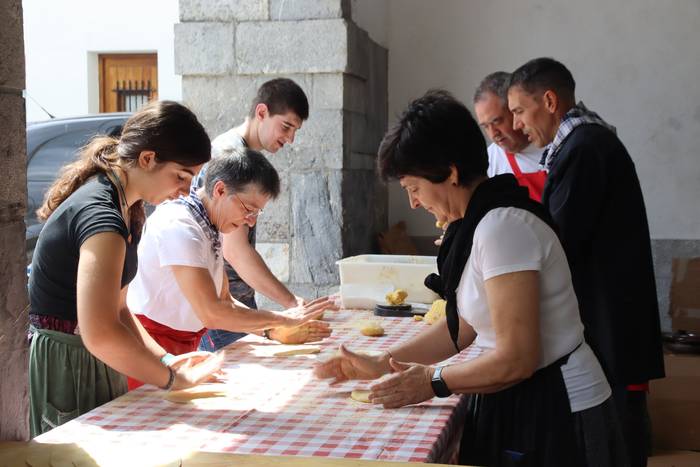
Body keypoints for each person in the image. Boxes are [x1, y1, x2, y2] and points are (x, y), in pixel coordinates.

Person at [315, 90, 626, 466]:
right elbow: (462, 328)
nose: (413, 202)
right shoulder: (477, 223)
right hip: (521, 397)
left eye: (414, 188)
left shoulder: (503, 227)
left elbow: (517, 358)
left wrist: (432, 380)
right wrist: (383, 363)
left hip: (558, 408)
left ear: (449, 172)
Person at [28, 101, 222, 438]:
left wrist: (166, 361)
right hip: (68, 364)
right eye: (181, 176)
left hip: (96, 358)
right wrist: (174, 380)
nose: (184, 191)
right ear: (147, 159)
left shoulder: (127, 208)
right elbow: (101, 332)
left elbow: (119, 308)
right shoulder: (101, 216)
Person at [507, 57, 664, 467]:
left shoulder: (585, 148)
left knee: (619, 437)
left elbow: (556, 243)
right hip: (610, 313)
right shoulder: (584, 143)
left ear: (550, 100)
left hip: (610, 317)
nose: (518, 125)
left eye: (520, 111)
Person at [125, 148, 332, 388]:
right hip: (152, 346)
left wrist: (272, 331)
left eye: (257, 212)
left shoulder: (211, 224)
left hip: (185, 344)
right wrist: (281, 319)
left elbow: (225, 300)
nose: (251, 220)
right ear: (220, 190)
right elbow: (212, 313)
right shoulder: (179, 226)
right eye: (248, 208)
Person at [194, 78, 311, 352]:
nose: (290, 138)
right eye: (286, 126)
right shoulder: (230, 154)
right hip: (222, 313)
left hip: (234, 305)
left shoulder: (240, 153)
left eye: (296, 131)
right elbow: (235, 251)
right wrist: (291, 303)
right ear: (261, 112)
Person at [474, 71, 547, 201]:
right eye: (485, 126)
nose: (493, 134)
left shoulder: (554, 141)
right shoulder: (489, 163)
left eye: (497, 121)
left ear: (515, 110)